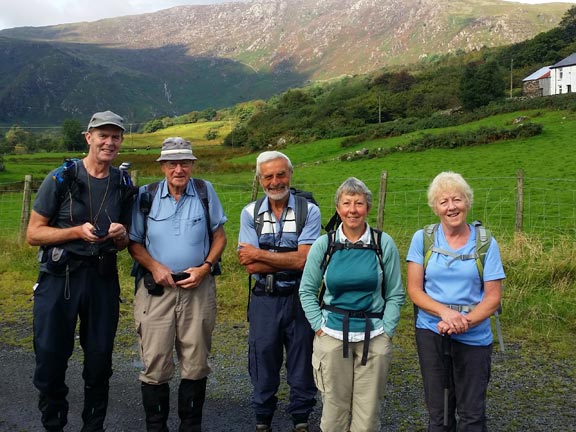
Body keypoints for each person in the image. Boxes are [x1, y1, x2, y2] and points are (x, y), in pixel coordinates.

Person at [26, 110, 134, 431]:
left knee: (100, 361)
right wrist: (75, 232)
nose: (109, 142)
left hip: (102, 278)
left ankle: (93, 426)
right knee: (50, 358)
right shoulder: (61, 177)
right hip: (59, 277)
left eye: (116, 136)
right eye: (103, 135)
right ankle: (54, 424)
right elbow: (34, 234)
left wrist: (121, 235)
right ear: (89, 138)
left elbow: (125, 241)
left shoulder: (123, 183)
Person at [128, 137, 227, 432]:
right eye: (172, 163)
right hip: (156, 291)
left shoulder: (204, 191)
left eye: (184, 162)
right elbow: (134, 243)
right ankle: (156, 427)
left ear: (192, 164)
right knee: (155, 362)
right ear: (162, 167)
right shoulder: (145, 196)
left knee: (196, 362)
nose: (179, 169)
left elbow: (220, 236)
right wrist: (155, 267)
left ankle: (190, 427)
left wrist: (206, 268)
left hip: (197, 288)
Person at [298, 177, 405, 432]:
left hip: (374, 335)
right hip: (332, 335)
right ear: (338, 208)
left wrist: (387, 331)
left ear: (367, 208)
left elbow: (396, 293)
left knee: (367, 416)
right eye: (346, 203)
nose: (352, 209)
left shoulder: (382, 244)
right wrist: (319, 327)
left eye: (359, 203)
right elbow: (307, 291)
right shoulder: (325, 245)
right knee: (334, 413)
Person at [406, 171, 505, 432]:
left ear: (467, 203)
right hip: (432, 331)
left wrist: (464, 322)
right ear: (435, 207)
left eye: (457, 200)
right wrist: (445, 314)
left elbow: (493, 297)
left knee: (472, 414)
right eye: (444, 201)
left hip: (474, 335)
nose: (451, 207)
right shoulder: (422, 239)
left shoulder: (486, 243)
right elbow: (414, 290)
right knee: (439, 414)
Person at [238, 151, 320, 432]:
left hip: (301, 297)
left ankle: (301, 418)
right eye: (268, 176)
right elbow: (249, 266)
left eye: (280, 174)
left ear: (290, 174)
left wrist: (262, 255)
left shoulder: (309, 210)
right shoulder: (249, 213)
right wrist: (288, 258)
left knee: (302, 358)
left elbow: (305, 260)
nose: (275, 181)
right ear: (260, 179)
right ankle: (263, 418)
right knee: (262, 358)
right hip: (264, 297)